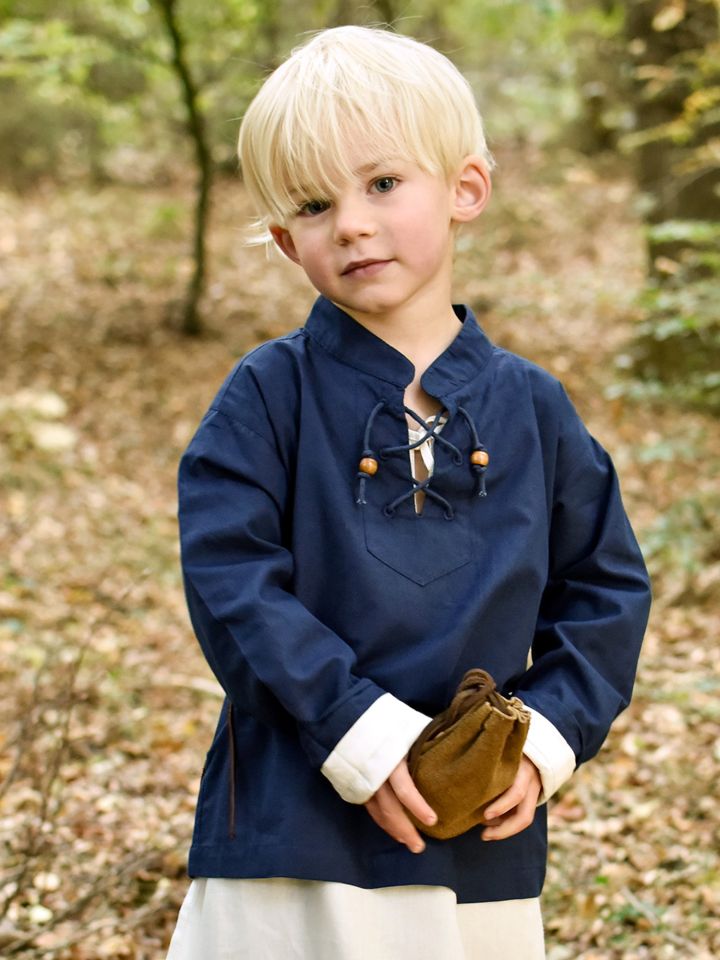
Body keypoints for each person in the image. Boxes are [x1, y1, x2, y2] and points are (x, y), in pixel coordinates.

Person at [166, 24, 651, 960]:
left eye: (382, 183)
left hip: (474, 843)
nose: (350, 222)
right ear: (283, 239)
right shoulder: (268, 394)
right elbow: (231, 583)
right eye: (314, 204)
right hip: (287, 843)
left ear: (466, 189)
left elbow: (606, 590)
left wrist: (548, 739)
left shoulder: (535, 409)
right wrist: (354, 728)